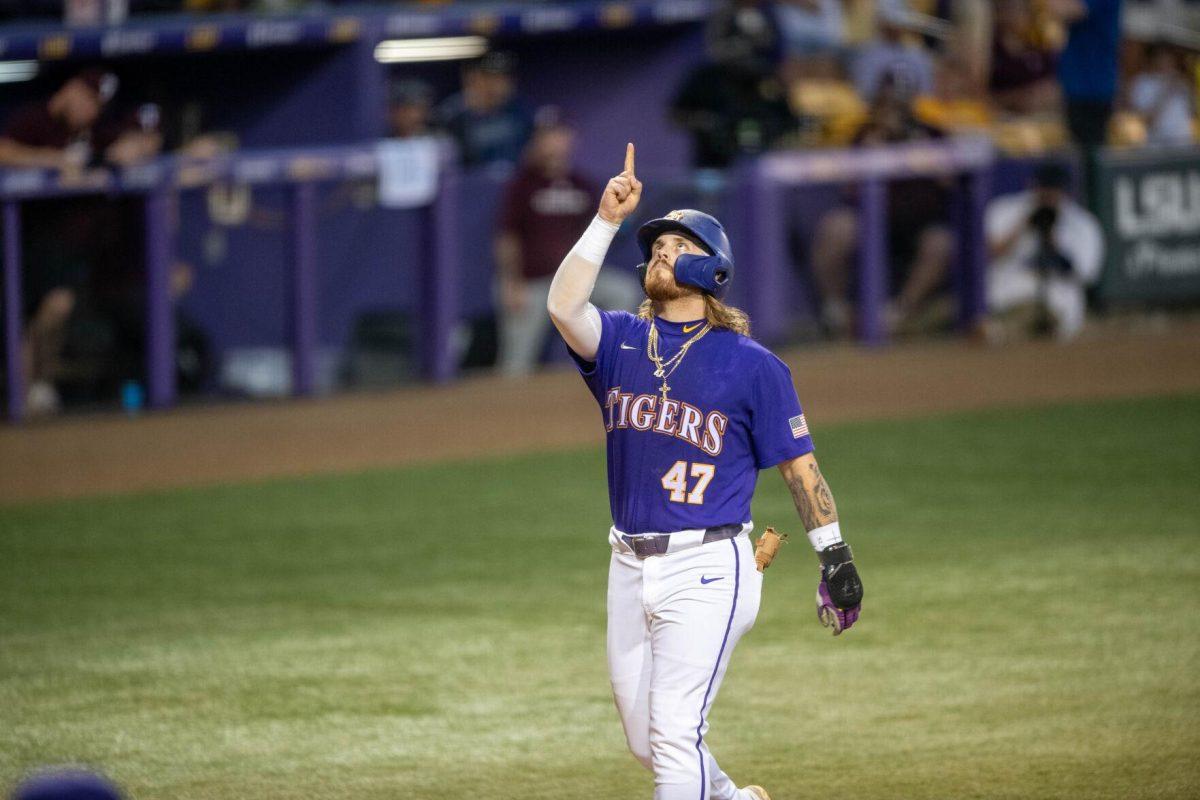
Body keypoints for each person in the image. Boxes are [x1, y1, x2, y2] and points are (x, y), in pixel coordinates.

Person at [546, 144, 864, 800]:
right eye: (655, 245)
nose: (660, 249)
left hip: (710, 567)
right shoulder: (620, 344)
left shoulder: (753, 366)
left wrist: (836, 560)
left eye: (674, 243)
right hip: (627, 565)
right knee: (647, 740)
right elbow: (561, 307)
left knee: (672, 734)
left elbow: (801, 470)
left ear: (710, 268)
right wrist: (606, 219)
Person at [0, 68, 160, 414]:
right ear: (71, 90)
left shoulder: (87, 132)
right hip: (19, 242)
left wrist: (137, 147)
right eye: (89, 100)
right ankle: (23, 395)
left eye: (98, 105)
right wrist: (53, 160)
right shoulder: (32, 120)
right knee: (26, 316)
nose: (93, 110)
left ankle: (32, 389)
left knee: (54, 309)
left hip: (63, 249)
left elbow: (137, 140)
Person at [493, 111, 640, 376]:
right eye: (548, 136)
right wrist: (510, 282)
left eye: (560, 135)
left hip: (576, 281)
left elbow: (601, 228)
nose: (555, 141)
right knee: (515, 366)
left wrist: (624, 217)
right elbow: (507, 237)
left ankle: (613, 368)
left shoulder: (581, 184)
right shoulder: (523, 184)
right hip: (532, 282)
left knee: (624, 291)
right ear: (536, 141)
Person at [809, 82, 954, 337]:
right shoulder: (866, 134)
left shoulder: (931, 134)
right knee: (836, 228)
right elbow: (849, 188)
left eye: (899, 105)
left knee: (941, 243)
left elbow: (950, 182)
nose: (893, 112)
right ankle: (838, 314)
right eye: (887, 104)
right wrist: (871, 151)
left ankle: (898, 315)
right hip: (870, 220)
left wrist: (923, 154)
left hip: (918, 224)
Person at [984, 160, 1104, 341]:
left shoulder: (1082, 224)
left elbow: (1086, 274)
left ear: (1065, 192)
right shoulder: (1005, 209)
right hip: (1005, 301)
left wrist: (1053, 242)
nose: (1047, 197)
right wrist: (1022, 226)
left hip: (1057, 307)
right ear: (1033, 186)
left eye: (1054, 191)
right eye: (1043, 190)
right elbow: (984, 257)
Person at [435, 51, 533, 169]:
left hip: (513, 183)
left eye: (504, 78)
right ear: (473, 78)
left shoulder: (519, 111)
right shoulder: (451, 115)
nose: (498, 85)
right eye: (491, 78)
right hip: (469, 184)